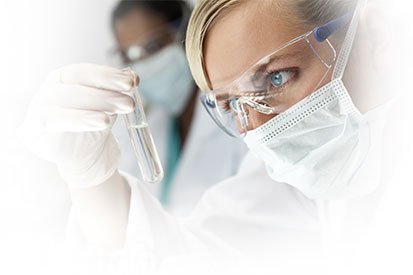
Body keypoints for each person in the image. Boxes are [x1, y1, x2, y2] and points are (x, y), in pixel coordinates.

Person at [19, 0, 406, 274]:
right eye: (231, 104)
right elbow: (194, 256)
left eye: (277, 77)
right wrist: (90, 177)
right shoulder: (316, 176)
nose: (258, 127)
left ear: (375, 34)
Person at [109, 0, 247, 215]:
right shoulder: (147, 127)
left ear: (185, 31)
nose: (145, 64)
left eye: (153, 46)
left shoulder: (236, 110)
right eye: (129, 56)